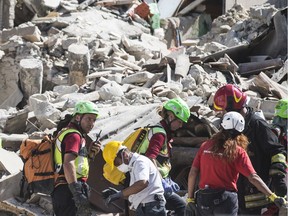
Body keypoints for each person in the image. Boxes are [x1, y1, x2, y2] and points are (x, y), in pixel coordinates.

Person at [185, 111, 287, 216]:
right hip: (225, 200)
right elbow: (253, 178)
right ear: (240, 132)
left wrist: (190, 199)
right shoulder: (238, 151)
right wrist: (272, 196)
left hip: (204, 199)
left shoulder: (205, 146)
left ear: (221, 126)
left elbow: (193, 173)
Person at [213, 84, 287, 215]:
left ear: (232, 107)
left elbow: (277, 151)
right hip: (236, 194)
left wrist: (278, 177)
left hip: (258, 195)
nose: (223, 115)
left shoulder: (258, 126)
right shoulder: (230, 126)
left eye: (224, 111)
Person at [51, 101, 101, 216]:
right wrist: (77, 193)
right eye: (88, 119)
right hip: (69, 190)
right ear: (78, 117)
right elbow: (68, 163)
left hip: (64, 189)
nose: (92, 123)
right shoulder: (74, 136)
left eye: (94, 120)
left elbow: (76, 165)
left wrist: (90, 155)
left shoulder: (68, 132)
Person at [142, 97, 191, 216]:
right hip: (153, 185)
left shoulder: (162, 132)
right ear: (171, 116)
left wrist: (167, 179)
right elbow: (150, 158)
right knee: (182, 207)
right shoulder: (159, 134)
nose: (180, 126)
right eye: (179, 122)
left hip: (153, 184)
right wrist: (160, 181)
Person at [101, 141, 166, 216]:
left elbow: (142, 183)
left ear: (124, 154)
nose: (118, 167)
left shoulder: (140, 162)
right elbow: (137, 192)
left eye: (117, 163)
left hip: (152, 207)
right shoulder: (133, 166)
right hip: (146, 207)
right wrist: (118, 193)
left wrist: (120, 194)